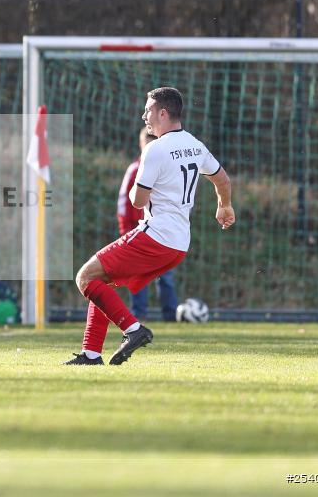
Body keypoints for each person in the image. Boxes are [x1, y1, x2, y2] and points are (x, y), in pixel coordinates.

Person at [65, 87, 235, 366]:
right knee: (100, 280)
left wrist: (137, 188)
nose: (144, 116)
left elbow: (138, 200)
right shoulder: (195, 145)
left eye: (148, 110)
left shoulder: (155, 149)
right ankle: (91, 354)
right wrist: (225, 206)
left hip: (156, 235)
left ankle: (133, 329)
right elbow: (222, 180)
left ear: (163, 113)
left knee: (84, 277)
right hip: (179, 244)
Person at [118, 128, 178, 321]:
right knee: (137, 276)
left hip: (162, 233)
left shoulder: (167, 168)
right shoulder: (135, 169)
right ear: (141, 144)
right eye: (148, 144)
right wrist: (125, 230)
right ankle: (138, 316)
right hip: (138, 233)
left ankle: (170, 316)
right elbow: (123, 202)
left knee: (165, 276)